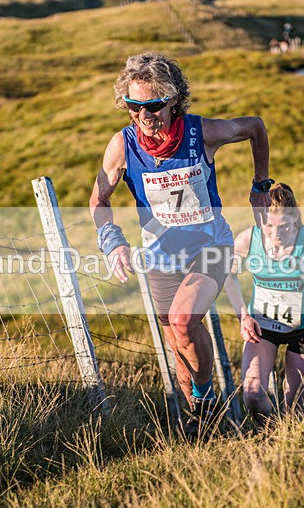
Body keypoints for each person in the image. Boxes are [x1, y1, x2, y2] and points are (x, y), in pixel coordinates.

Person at [89, 52, 271, 438]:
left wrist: (260, 185)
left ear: (173, 100)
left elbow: (255, 126)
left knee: (183, 321)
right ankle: (204, 419)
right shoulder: (122, 146)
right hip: (160, 257)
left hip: (211, 245)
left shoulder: (201, 133)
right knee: (179, 348)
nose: (144, 115)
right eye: (135, 106)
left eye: (153, 105)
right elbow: (99, 200)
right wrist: (112, 242)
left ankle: (207, 400)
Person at [224, 184, 304, 424]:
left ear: (295, 220)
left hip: (303, 328)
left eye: (284, 227)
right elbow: (229, 275)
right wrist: (243, 316)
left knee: (296, 404)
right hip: (262, 326)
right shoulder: (249, 238)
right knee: (252, 394)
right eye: (268, 225)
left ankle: (288, 444)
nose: (275, 233)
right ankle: (273, 434)